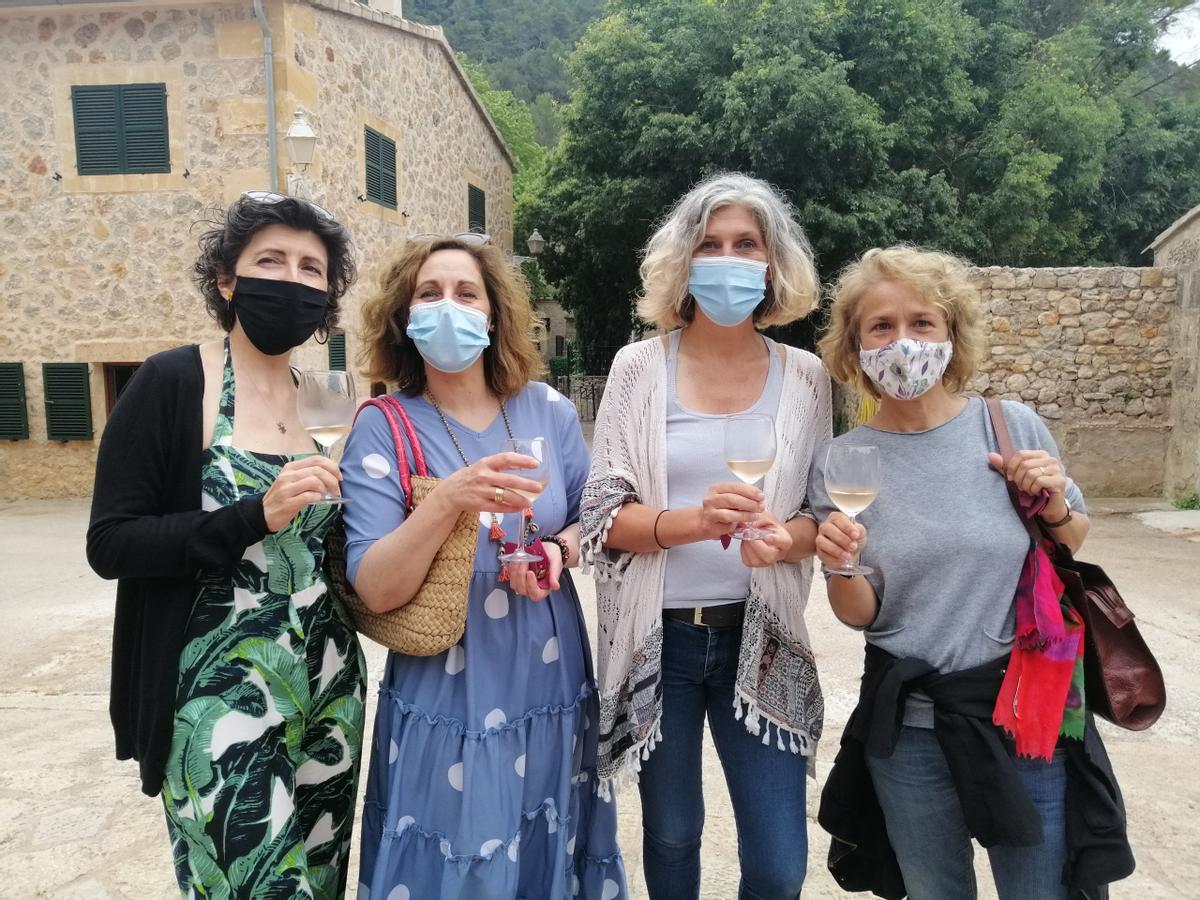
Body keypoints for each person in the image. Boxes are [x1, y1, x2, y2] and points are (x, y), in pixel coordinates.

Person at [811, 246, 1134, 899]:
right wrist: (840, 561)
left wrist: (1051, 501)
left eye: (922, 323)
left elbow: (1072, 536)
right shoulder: (845, 461)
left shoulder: (1011, 426)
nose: (903, 342)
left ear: (951, 333)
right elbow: (861, 615)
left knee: (1039, 891)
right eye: (881, 326)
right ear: (855, 344)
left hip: (1026, 714)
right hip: (910, 729)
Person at [86, 192, 367, 898]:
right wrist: (250, 516)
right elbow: (111, 542)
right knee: (252, 885)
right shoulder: (172, 382)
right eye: (269, 260)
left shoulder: (328, 397)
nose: (291, 279)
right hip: (213, 689)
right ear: (226, 280)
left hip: (328, 684)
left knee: (323, 879)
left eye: (311, 268)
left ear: (327, 296)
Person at [341, 234, 626, 899]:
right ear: (405, 320)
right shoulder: (383, 425)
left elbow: (594, 518)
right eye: (429, 293)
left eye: (466, 293)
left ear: (493, 313)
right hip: (450, 685)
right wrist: (447, 500)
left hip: (549, 677)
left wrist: (557, 552)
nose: (449, 306)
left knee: (542, 841)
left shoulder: (547, 411)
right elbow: (376, 587)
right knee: (459, 855)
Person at [580, 172, 831, 900]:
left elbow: (822, 514)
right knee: (673, 833)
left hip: (764, 637)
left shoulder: (808, 377)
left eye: (745, 243)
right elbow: (602, 517)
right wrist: (686, 524)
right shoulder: (638, 367)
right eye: (709, 244)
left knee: (780, 863)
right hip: (660, 641)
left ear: (772, 261)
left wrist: (787, 538)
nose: (727, 258)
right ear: (683, 263)